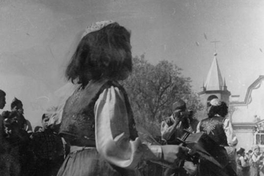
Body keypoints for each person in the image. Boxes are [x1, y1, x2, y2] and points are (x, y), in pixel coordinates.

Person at [57, 20, 189, 176]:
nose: (129, 52)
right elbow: (114, 146)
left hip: (72, 168)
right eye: (125, 47)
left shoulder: (75, 96)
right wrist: (160, 153)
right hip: (100, 169)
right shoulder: (108, 90)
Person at [196, 98, 238, 176]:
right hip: (220, 158)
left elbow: (197, 140)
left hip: (204, 159)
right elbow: (232, 142)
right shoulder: (225, 121)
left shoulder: (200, 123)